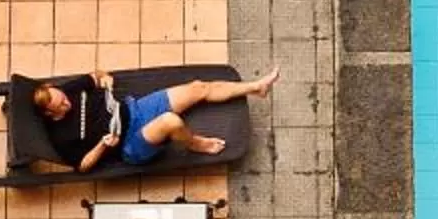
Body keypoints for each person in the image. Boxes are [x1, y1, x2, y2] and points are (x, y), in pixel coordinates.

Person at [31, 65, 279, 174]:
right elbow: (83, 166)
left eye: (62, 96)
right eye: (60, 105)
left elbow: (96, 75)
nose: (67, 102)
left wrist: (105, 78)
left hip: (134, 109)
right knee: (171, 121)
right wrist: (103, 145)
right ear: (50, 114)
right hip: (129, 143)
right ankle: (195, 144)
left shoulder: (70, 91)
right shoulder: (60, 136)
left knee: (197, 87)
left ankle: (255, 88)